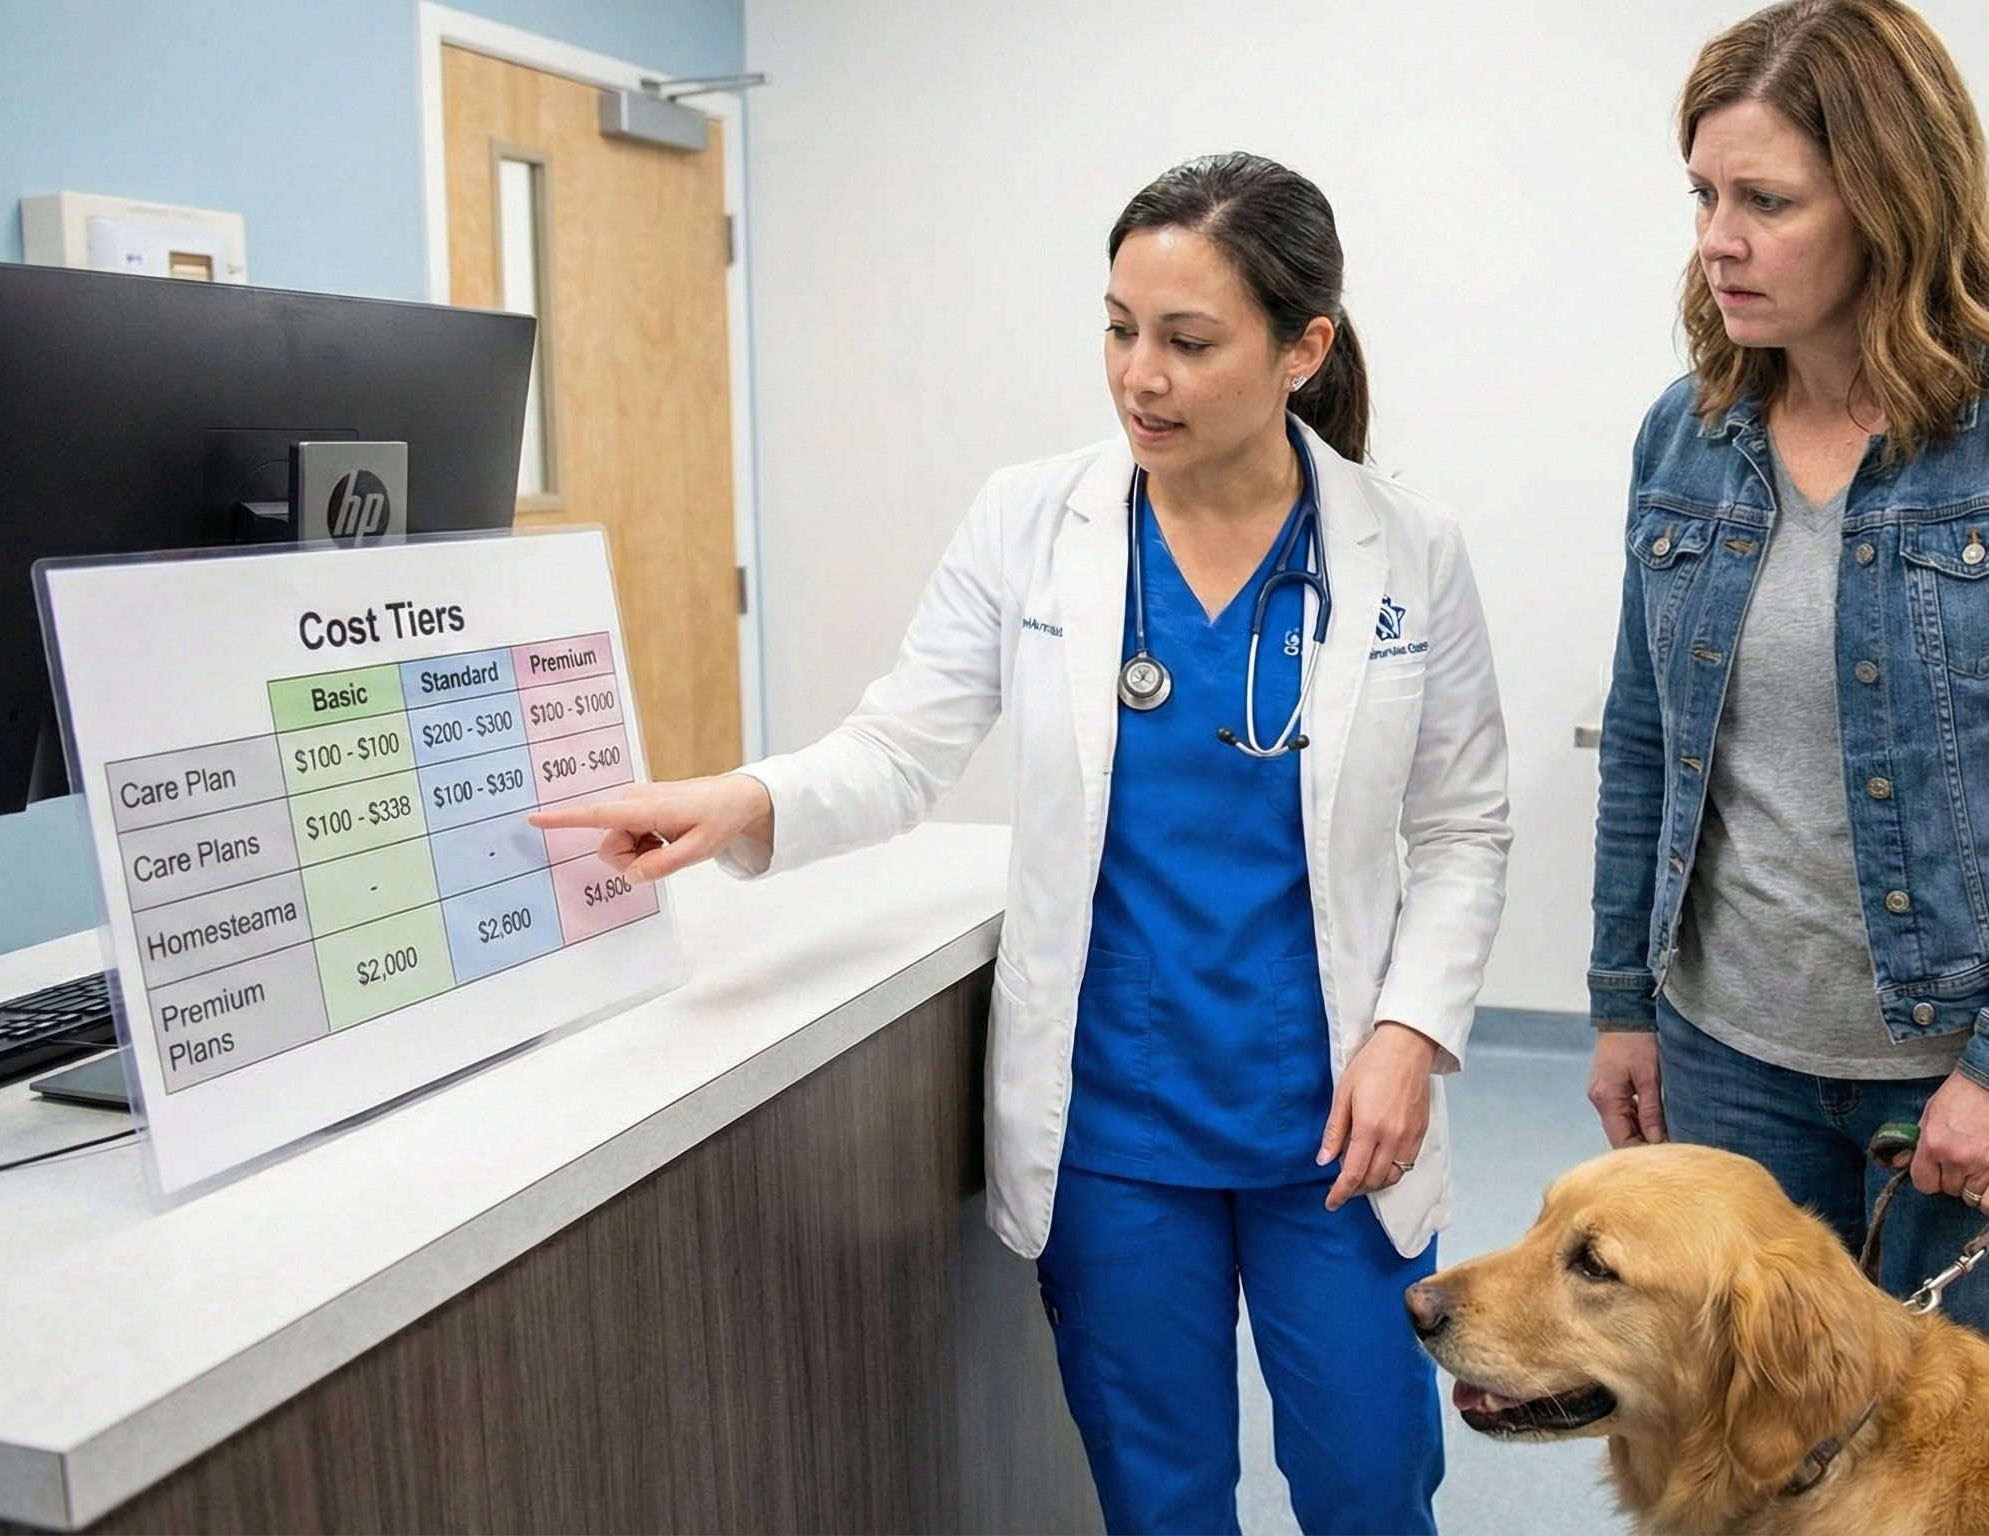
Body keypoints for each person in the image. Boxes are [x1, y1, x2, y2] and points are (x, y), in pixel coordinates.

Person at [532, 152, 1509, 1535]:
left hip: (1339, 1120)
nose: (1137, 378)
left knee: (1368, 1483)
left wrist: (1412, 1034)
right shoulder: (1030, 524)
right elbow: (900, 749)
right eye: (1118, 328)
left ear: (1304, 348)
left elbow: (1463, 828)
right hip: (1117, 1117)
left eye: (1187, 340)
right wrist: (747, 800)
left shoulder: (1410, 551)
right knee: (1159, 1493)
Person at [1583, 0, 1989, 1363]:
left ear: (1890, 201)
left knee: (1967, 1487)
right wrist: (1625, 1003)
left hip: (1969, 1075)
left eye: (1768, 200)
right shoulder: (1688, 437)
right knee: (1752, 1469)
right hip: (1730, 1057)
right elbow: (1645, 742)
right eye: (1703, 194)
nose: (1718, 238)